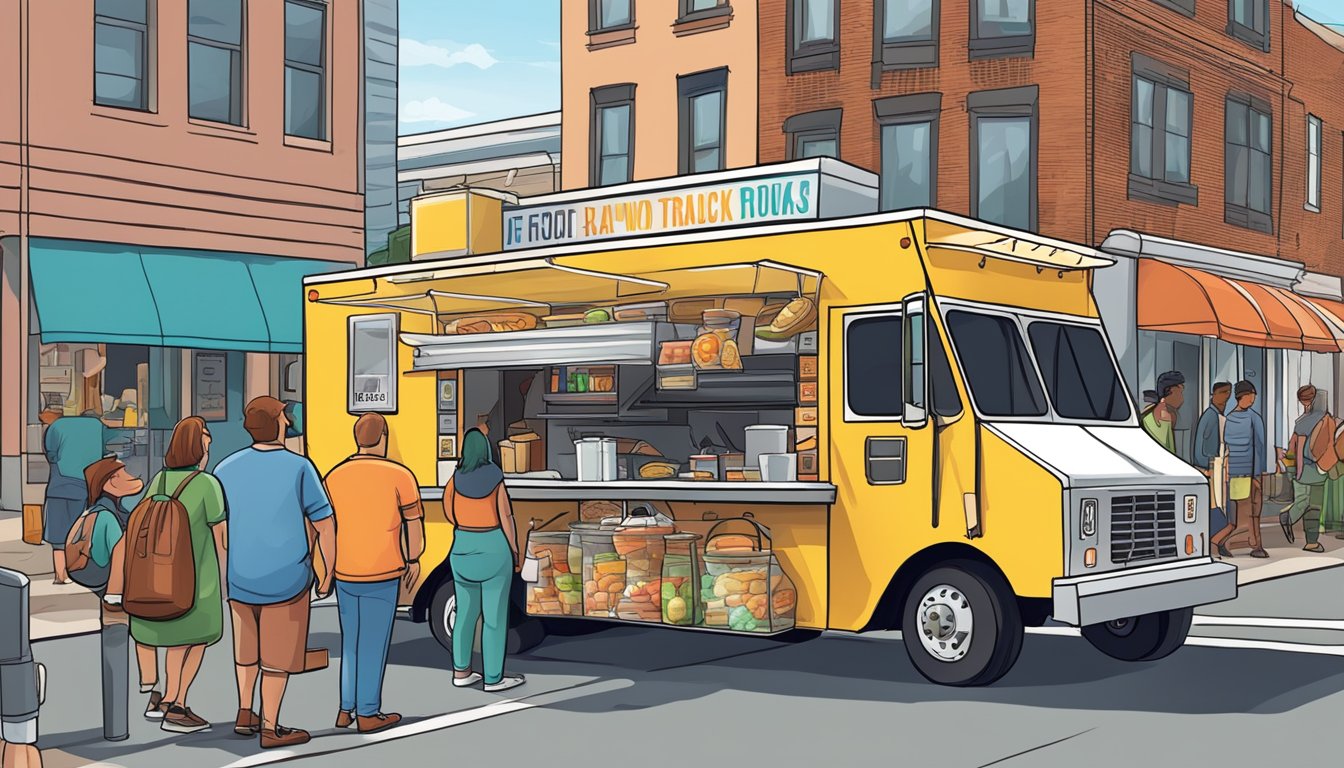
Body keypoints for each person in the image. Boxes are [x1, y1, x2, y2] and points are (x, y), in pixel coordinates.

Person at [215, 397, 336, 750]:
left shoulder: (225, 468)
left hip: (240, 578)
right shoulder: (299, 468)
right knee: (277, 658)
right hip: (287, 578)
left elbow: (220, 531)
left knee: (246, 651)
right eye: (284, 414)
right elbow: (325, 525)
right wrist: (326, 573)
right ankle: (270, 727)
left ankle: (243, 711)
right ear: (279, 421)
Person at [323, 413, 425, 734]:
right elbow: (414, 525)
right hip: (382, 571)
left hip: (344, 570)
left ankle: (345, 708)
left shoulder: (333, 477)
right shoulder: (400, 475)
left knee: (350, 640)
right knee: (374, 643)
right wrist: (413, 558)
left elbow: (324, 527)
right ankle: (368, 712)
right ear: (383, 438)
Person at [127, 417, 229, 734]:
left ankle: (164, 698)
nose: (209, 447)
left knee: (173, 641)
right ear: (199, 447)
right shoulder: (207, 485)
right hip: (197, 579)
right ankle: (178, 704)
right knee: (194, 641)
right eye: (206, 442)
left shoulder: (158, 480)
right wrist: (225, 580)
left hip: (156, 578)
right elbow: (221, 539)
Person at [77, 457, 164, 722]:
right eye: (122, 472)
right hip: (115, 591)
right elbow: (121, 555)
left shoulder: (100, 511)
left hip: (108, 587)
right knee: (137, 634)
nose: (129, 475)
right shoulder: (108, 518)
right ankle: (151, 693)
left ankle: (149, 690)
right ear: (110, 483)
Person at [444, 428, 525, 693]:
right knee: (494, 618)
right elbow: (506, 517)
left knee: (465, 614)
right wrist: (514, 550)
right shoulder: (495, 477)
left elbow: (449, 513)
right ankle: (493, 678)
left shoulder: (455, 479)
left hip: (462, 547)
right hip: (493, 548)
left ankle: (461, 672)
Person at [42, 408, 110, 584]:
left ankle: (60, 574)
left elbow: (50, 453)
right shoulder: (98, 426)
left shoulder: (57, 425)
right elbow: (104, 452)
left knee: (58, 534)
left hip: (58, 487)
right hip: (84, 487)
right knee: (82, 532)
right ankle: (78, 570)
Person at [1212, 381, 1269, 558]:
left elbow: (1228, 447)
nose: (1253, 398)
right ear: (1246, 395)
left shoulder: (1229, 417)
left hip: (1233, 472)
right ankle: (1255, 545)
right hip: (1250, 472)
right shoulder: (1254, 418)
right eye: (1252, 395)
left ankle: (1242, 543)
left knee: (1238, 514)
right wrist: (1258, 474)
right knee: (1253, 512)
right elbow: (1259, 447)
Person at [1280, 385, 1329, 553]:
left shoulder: (1302, 421)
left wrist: (1292, 468)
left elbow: (1292, 448)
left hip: (1304, 470)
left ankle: (1309, 539)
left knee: (1305, 502)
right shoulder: (1324, 419)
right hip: (1318, 470)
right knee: (1313, 507)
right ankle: (1310, 540)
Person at [1193, 382, 1232, 543]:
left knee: (1218, 503)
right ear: (1213, 395)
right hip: (1210, 466)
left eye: (1228, 392)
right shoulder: (1210, 416)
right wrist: (1206, 468)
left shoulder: (1217, 416)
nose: (1226, 396)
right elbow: (1201, 447)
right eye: (1222, 392)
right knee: (1215, 503)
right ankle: (1214, 539)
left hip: (1216, 465)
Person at [1141, 371, 1185, 454]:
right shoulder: (1164, 414)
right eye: (1180, 392)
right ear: (1171, 390)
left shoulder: (1152, 410)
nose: (1182, 398)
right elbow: (1169, 451)